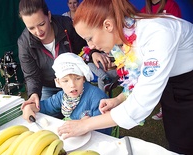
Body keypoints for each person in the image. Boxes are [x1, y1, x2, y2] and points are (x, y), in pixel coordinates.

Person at [57, 0, 193, 154]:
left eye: (89, 38)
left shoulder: (158, 33)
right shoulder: (126, 35)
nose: (91, 46)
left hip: (188, 85)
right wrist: (119, 99)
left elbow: (142, 102)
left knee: (185, 142)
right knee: (177, 138)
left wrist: (86, 125)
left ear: (108, 25)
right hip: (172, 86)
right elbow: (139, 78)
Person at [18, 0, 111, 115]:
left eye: (41, 24)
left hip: (75, 82)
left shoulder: (66, 25)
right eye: (31, 28)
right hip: (49, 86)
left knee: (84, 116)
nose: (38, 32)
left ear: (49, 16)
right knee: (45, 117)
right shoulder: (24, 43)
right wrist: (33, 94)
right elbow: (31, 75)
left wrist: (92, 53)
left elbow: (84, 44)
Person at [21, 53, 112, 135]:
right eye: (65, 81)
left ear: (84, 78)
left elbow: (106, 128)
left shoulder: (97, 97)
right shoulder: (62, 96)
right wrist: (30, 107)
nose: (72, 85)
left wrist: (87, 123)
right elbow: (45, 106)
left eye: (77, 78)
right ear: (58, 82)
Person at [141, 0, 181, 121]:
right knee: (158, 84)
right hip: (153, 53)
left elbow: (178, 27)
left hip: (171, 52)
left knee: (171, 84)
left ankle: (176, 110)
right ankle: (163, 109)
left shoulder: (170, 4)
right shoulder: (144, 10)